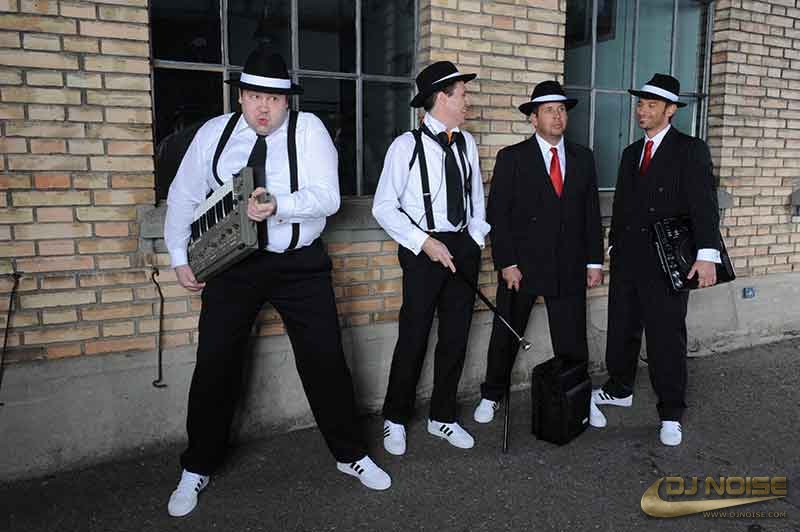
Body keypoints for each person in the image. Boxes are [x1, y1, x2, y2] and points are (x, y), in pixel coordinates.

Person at [163, 46, 390, 518]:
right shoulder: (213, 134)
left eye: (273, 99)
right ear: (240, 96)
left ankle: (350, 454)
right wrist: (180, 256)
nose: (263, 108)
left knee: (325, 360)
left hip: (298, 263)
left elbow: (328, 197)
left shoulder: (309, 130)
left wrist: (278, 206)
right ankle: (197, 465)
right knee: (215, 364)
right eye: (254, 97)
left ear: (288, 100)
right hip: (232, 266)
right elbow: (182, 196)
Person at [592, 73, 720, 446]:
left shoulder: (690, 149)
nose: (641, 111)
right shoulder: (631, 153)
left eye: (651, 105)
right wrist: (613, 245)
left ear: (670, 110)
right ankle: (619, 388)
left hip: (667, 262)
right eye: (640, 104)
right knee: (622, 327)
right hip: (629, 258)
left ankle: (671, 413)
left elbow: (704, 205)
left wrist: (707, 255)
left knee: (666, 337)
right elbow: (621, 204)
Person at [372, 61, 490, 455]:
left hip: (462, 247)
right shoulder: (405, 146)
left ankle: (443, 416)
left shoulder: (467, 143)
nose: (467, 101)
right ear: (442, 97)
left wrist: (474, 239)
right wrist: (424, 242)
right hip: (422, 250)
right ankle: (395, 418)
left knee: (456, 336)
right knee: (414, 335)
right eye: (463, 94)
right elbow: (383, 207)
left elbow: (475, 199)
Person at [472, 81, 604, 424]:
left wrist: (594, 261)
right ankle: (492, 394)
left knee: (572, 337)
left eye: (561, 110)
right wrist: (507, 263)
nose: (557, 116)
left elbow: (591, 213)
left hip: (569, 263)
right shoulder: (512, 157)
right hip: (523, 266)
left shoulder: (583, 157)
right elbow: (498, 214)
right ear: (533, 118)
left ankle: (580, 397)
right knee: (506, 332)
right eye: (548, 110)